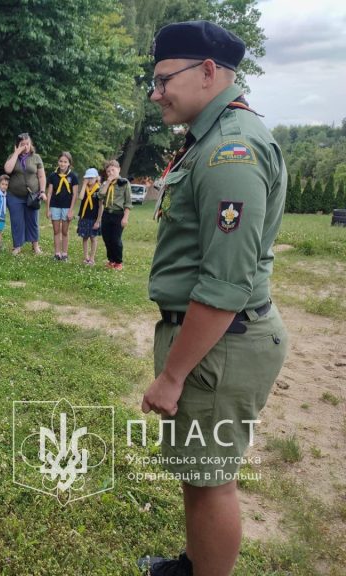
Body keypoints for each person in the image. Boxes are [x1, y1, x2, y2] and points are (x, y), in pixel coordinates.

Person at [139, 21, 289, 576]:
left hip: (221, 345)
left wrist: (172, 376)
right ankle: (193, 563)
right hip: (216, 342)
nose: (156, 93)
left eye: (163, 79)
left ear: (208, 72)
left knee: (211, 481)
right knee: (199, 471)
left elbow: (225, 284)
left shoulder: (231, 151)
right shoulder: (212, 138)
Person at [3, 133, 46, 255]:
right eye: (22, 144)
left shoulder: (36, 157)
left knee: (33, 220)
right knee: (16, 221)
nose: (26, 146)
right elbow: (7, 170)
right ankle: (17, 246)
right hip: (14, 195)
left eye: (27, 144)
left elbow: (41, 176)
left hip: (33, 196)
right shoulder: (12, 156)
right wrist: (16, 153)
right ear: (17, 145)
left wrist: (42, 191)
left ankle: (35, 246)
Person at [97, 159, 132, 270]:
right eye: (108, 171)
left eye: (113, 170)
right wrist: (108, 182)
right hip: (107, 214)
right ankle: (111, 260)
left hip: (118, 215)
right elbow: (100, 195)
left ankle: (118, 262)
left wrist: (125, 218)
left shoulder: (125, 183)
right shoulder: (106, 184)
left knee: (116, 239)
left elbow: (128, 202)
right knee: (107, 238)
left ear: (119, 169)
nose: (111, 173)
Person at [45, 152, 79, 261]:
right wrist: (47, 209)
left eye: (65, 162)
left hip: (67, 207)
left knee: (64, 231)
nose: (62, 164)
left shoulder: (73, 176)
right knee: (56, 230)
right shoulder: (53, 176)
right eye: (61, 161)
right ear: (58, 162)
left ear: (69, 163)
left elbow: (75, 195)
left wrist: (71, 210)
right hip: (55, 206)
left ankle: (64, 253)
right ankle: (57, 253)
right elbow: (49, 193)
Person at [76, 168, 103, 265]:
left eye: (92, 178)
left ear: (96, 178)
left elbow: (101, 206)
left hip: (94, 218)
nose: (90, 180)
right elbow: (80, 197)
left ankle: (92, 258)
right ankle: (86, 257)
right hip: (84, 216)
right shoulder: (85, 188)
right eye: (88, 178)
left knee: (93, 237)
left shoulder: (99, 189)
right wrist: (84, 184)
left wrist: (98, 220)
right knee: (85, 237)